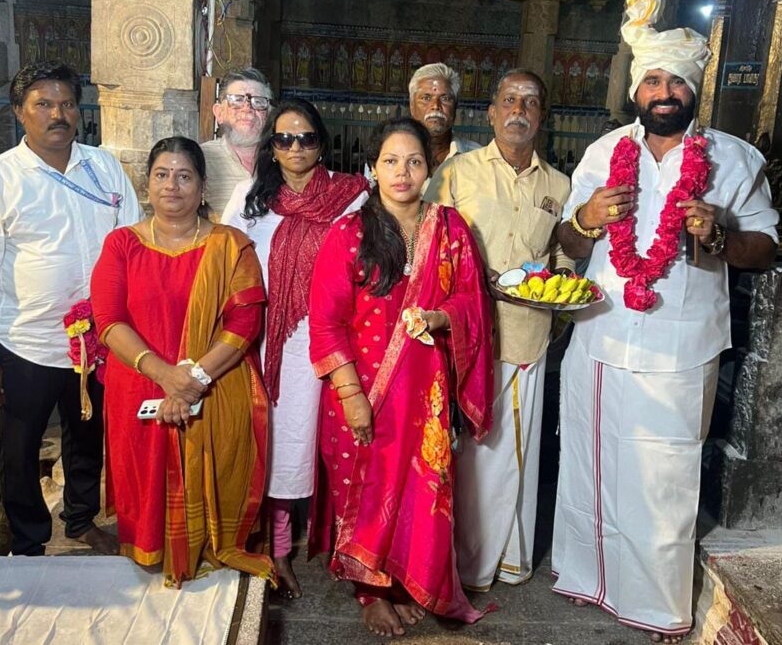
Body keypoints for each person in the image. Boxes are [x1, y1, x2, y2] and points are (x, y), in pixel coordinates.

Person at [551, 0, 778, 643]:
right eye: (653, 81)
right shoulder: (603, 152)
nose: (665, 93)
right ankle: (586, 576)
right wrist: (587, 219)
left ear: (693, 91)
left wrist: (719, 235)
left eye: (677, 82)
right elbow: (566, 242)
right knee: (590, 463)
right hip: (600, 337)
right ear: (636, 90)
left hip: (680, 348)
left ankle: (655, 603)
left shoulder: (734, 160)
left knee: (663, 476)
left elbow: (764, 249)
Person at [308, 117, 494, 636]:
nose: (402, 172)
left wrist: (440, 317)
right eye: (390, 161)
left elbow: (472, 301)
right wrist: (352, 395)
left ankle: (405, 580)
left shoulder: (451, 229)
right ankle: (370, 590)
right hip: (360, 388)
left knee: (417, 489)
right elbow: (325, 323)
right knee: (366, 487)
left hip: (423, 394)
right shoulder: (350, 233)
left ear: (430, 169)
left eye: (414, 161)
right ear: (372, 167)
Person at [90, 137, 275, 587]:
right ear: (147, 184)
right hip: (141, 383)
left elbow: (245, 321)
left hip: (214, 384)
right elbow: (109, 320)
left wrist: (193, 378)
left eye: (184, 176)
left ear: (203, 187)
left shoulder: (231, 246)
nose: (171, 185)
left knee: (212, 474)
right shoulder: (121, 245)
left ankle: (207, 549)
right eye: (162, 174)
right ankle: (151, 550)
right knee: (147, 479)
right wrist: (167, 376)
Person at [0, 61, 142, 556]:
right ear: (19, 112)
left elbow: (133, 242)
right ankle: (29, 540)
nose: (58, 114)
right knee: (20, 447)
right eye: (44, 104)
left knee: (87, 436)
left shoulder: (104, 167)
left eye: (68, 104)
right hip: (24, 341)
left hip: (98, 340)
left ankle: (79, 520)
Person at [425, 68, 573, 591]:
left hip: (524, 333)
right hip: (463, 336)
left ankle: (502, 557)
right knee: (463, 452)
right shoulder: (457, 173)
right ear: (490, 113)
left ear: (542, 116)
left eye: (530, 103)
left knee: (512, 452)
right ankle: (451, 559)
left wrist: (558, 285)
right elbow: (429, 242)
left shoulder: (559, 186)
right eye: (509, 100)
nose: (518, 111)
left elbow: (561, 257)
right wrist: (470, 277)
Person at [221, 98, 369, 598]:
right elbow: (224, 263)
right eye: (284, 139)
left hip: (331, 339)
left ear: (321, 144)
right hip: (268, 341)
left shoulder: (352, 197)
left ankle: (351, 548)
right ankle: (278, 548)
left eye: (306, 137)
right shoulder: (250, 197)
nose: (295, 147)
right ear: (272, 147)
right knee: (280, 445)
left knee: (334, 444)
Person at [364, 63, 480, 184]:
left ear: (455, 107)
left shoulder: (477, 158)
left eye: (445, 98)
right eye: (426, 98)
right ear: (412, 106)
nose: (435, 106)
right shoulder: (384, 155)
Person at [201, 67, 273, 217]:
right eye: (237, 100)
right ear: (219, 113)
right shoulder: (200, 158)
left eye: (258, 102)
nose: (247, 108)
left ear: (269, 115)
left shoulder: (284, 160)